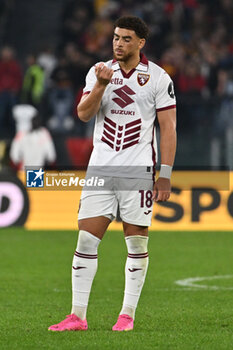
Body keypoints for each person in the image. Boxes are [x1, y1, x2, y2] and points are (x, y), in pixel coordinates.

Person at [48, 16, 176, 332]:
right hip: (101, 168)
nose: (118, 43)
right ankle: (78, 316)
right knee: (86, 240)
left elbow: (168, 127)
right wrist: (102, 85)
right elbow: (83, 114)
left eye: (127, 38)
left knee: (135, 245)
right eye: (116, 37)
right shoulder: (99, 71)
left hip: (138, 170)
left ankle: (127, 315)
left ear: (141, 42)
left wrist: (166, 174)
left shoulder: (158, 78)